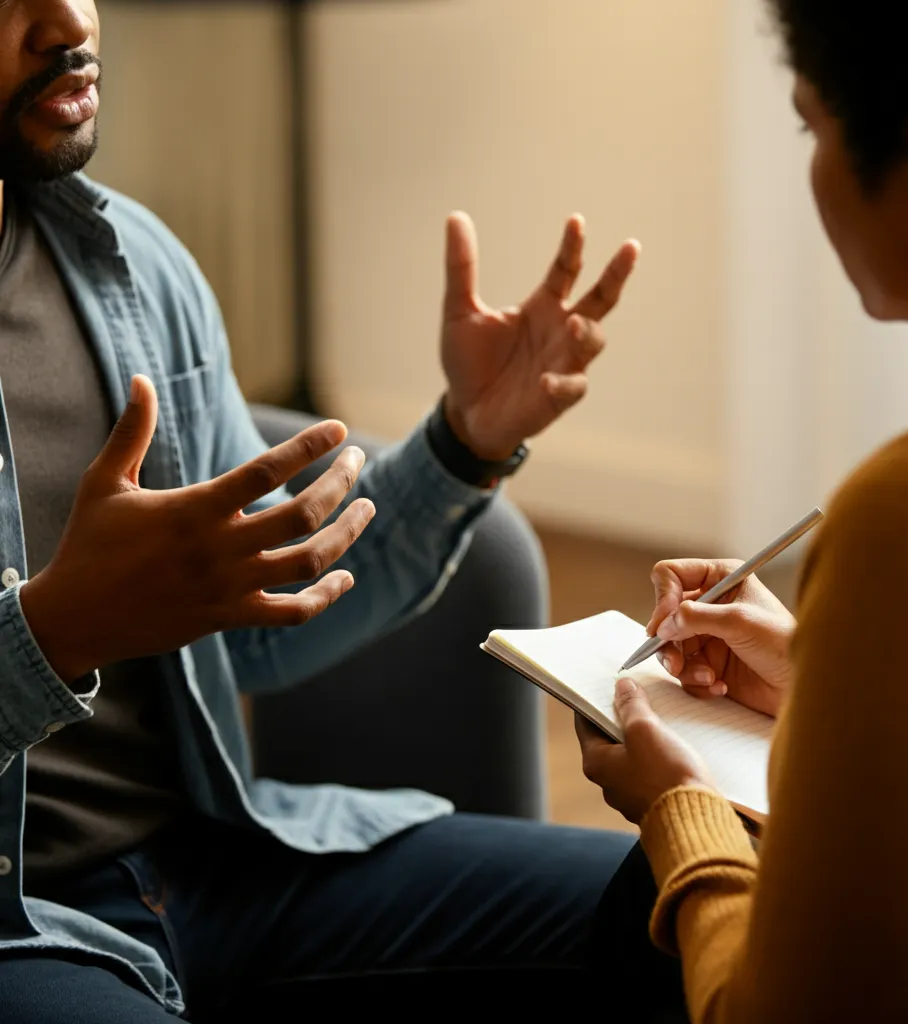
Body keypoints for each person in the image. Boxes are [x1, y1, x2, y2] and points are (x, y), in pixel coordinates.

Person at [0, 2, 691, 1020]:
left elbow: (264, 620)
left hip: (223, 859)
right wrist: (54, 635)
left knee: (684, 921)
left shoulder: (128, 262)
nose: (66, 17)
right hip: (28, 924)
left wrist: (466, 441)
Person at [578, 1, 908, 1021]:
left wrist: (678, 809)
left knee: (630, 912)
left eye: (808, 129)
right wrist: (835, 681)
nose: (810, 171)